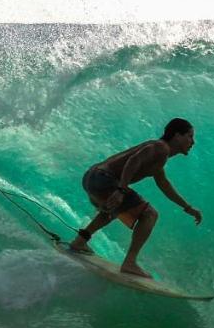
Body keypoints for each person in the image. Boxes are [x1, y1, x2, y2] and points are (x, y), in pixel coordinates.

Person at [68, 118, 203, 277]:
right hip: (104, 179)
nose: (192, 141)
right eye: (189, 136)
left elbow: (164, 185)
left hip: (92, 177)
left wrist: (187, 207)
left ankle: (80, 241)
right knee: (150, 214)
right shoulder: (161, 148)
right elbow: (134, 160)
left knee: (112, 210)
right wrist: (121, 190)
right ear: (177, 135)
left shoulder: (159, 158)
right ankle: (130, 262)